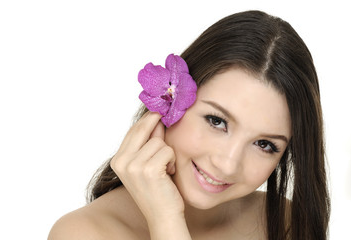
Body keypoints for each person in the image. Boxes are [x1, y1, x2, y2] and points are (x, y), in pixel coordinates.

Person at [48, 10, 330, 240]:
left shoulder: (283, 224)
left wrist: (168, 223)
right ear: (167, 102)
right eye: (216, 121)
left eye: (265, 144)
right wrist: (165, 217)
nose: (228, 164)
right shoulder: (83, 233)